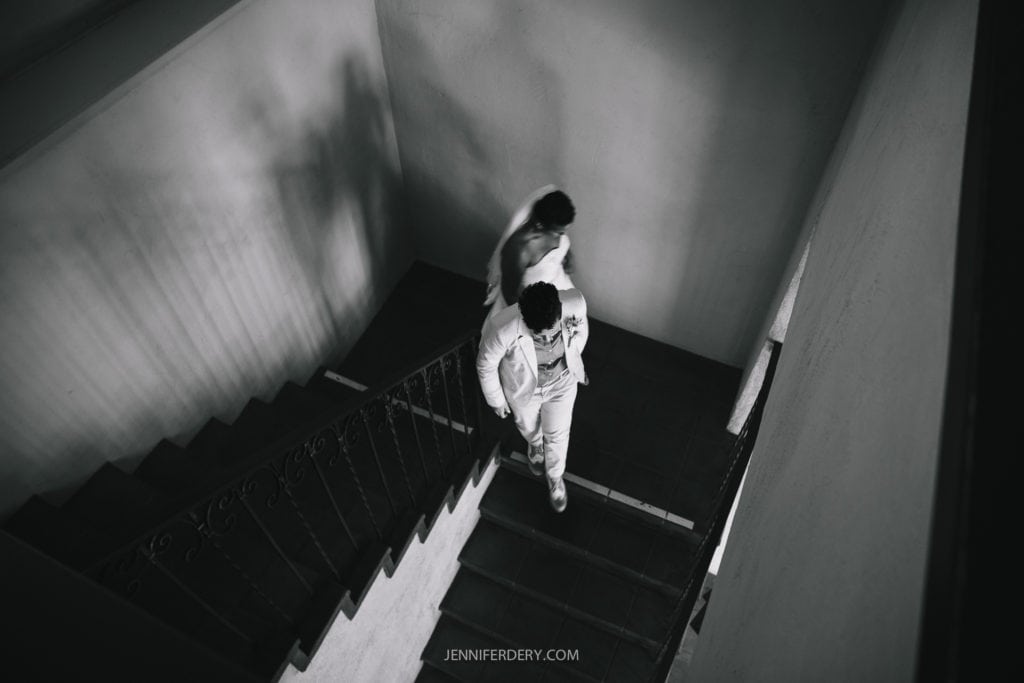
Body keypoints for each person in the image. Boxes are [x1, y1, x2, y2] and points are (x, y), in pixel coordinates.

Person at [477, 281, 589, 513]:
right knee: (527, 425)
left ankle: (555, 477)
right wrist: (496, 400)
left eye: (552, 332)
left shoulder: (575, 302)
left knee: (558, 433)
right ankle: (535, 444)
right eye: (540, 335)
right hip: (524, 389)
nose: (548, 341)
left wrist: (576, 356)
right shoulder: (501, 327)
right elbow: (485, 365)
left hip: (563, 383)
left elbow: (581, 330)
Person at [484, 187, 577, 322]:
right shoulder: (519, 249)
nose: (560, 238)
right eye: (558, 233)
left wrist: (568, 255)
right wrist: (538, 323)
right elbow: (510, 294)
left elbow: (561, 242)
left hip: (559, 289)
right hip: (532, 307)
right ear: (539, 225)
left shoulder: (555, 224)